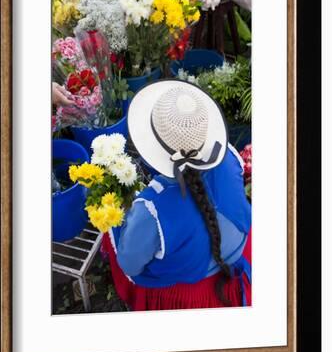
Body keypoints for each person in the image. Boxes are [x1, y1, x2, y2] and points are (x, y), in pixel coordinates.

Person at [103, 79, 251, 310]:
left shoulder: (150, 209)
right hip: (233, 253)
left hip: (188, 292)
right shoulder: (230, 157)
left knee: (111, 229)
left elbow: (130, 265)